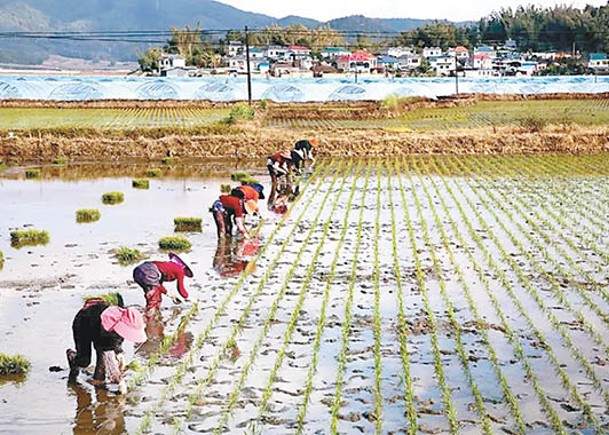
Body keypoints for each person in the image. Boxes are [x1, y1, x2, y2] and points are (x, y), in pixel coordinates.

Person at [66, 297, 146, 391]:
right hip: (83, 325)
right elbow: (108, 354)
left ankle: (98, 386)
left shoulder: (120, 324)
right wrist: (119, 380)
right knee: (84, 361)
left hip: (100, 332)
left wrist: (119, 353)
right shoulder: (107, 325)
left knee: (101, 365)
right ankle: (72, 356)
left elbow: (117, 341)